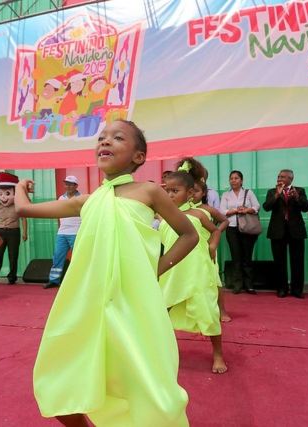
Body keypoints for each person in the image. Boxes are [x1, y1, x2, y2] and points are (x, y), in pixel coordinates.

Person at [15, 120, 197, 426]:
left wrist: (156, 269)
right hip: (87, 304)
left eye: (118, 137)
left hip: (130, 305)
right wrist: (20, 187)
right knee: (61, 379)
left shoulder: (150, 191)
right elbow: (24, 210)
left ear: (138, 156)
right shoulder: (87, 200)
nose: (105, 141)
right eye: (101, 137)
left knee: (139, 378)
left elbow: (189, 235)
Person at [159, 159, 226, 374]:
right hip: (171, 271)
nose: (170, 195)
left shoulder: (199, 214)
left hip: (197, 271)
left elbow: (215, 230)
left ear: (190, 193)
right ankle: (160, 352)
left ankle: (218, 354)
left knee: (209, 312)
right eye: (167, 190)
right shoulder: (162, 214)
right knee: (160, 311)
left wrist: (213, 245)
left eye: (175, 191)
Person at [263, 169, 308, 298]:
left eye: (283, 177)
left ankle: (297, 290)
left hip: (296, 231)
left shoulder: (299, 190)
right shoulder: (272, 191)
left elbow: (306, 208)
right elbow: (266, 207)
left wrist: (297, 197)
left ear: (291, 179)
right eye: (278, 176)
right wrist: (277, 195)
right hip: (277, 231)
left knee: (297, 261)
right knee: (279, 262)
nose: (279, 179)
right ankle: (281, 289)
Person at [193, 178, 231, 322]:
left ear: (204, 193)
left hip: (207, 247)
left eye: (196, 191)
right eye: (190, 191)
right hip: (189, 248)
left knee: (214, 278)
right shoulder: (181, 209)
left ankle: (222, 310)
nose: (193, 194)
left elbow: (225, 220)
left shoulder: (207, 208)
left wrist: (216, 233)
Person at [220, 170, 261, 294]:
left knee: (247, 257)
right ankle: (237, 284)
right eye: (231, 178)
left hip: (247, 228)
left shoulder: (248, 193)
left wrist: (247, 210)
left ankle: (249, 285)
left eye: (236, 178)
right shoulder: (226, 194)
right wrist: (235, 211)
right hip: (232, 228)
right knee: (236, 257)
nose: (233, 180)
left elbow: (257, 207)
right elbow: (222, 211)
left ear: (241, 180)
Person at [0, 172, 28, 285]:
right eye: (1, 193)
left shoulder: (18, 205)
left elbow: (24, 219)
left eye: (7, 193)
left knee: (13, 255)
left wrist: (25, 233)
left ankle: (12, 277)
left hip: (14, 232)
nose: (3, 197)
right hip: (0, 232)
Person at [46, 175, 82, 288]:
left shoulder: (81, 198)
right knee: (57, 257)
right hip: (62, 233)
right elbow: (59, 214)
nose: (68, 186)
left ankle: (79, 282)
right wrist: (59, 228)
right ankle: (54, 280)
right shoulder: (61, 198)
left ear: (76, 186)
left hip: (76, 232)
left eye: (70, 184)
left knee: (78, 258)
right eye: (66, 184)